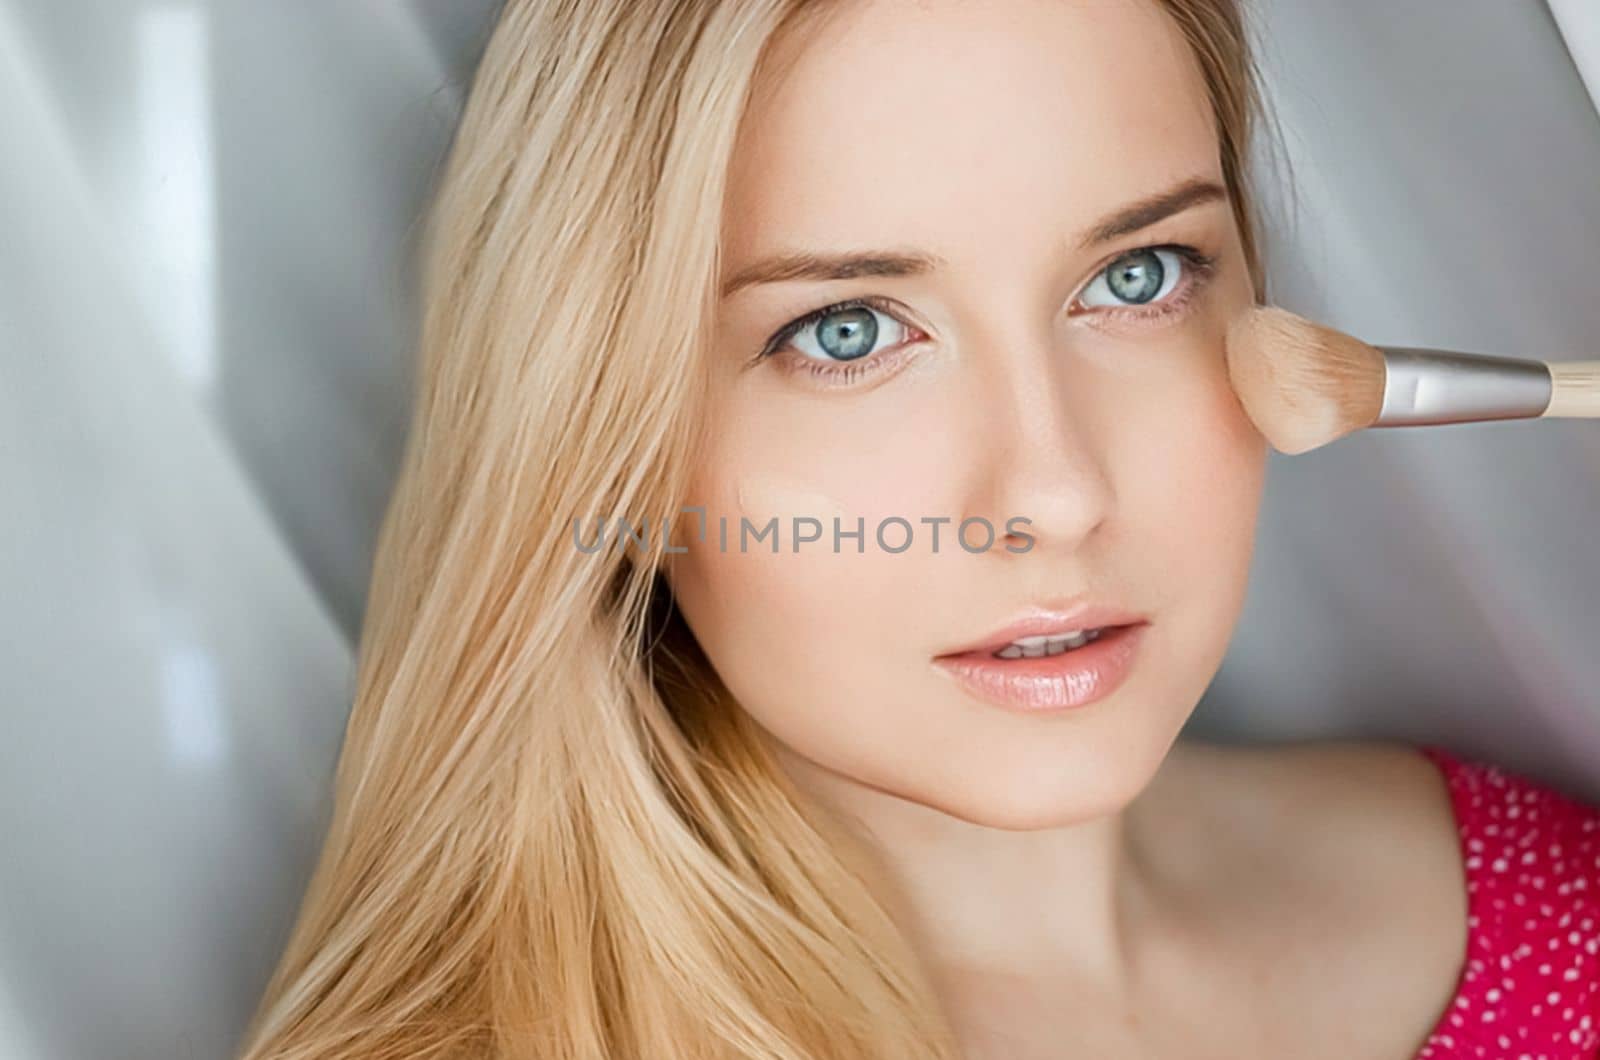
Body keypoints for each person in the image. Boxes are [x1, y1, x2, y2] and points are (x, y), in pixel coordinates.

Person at [234, 1, 1600, 1057]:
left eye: (1136, 277)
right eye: (848, 332)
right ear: (608, 444)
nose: (1054, 491)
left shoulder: (1535, 892)